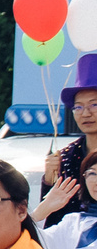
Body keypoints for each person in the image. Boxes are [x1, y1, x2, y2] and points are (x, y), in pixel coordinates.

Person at [36, 54, 97, 228]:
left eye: (94, 104)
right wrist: (49, 180)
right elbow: (49, 220)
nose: (86, 113)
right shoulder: (66, 158)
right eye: (78, 107)